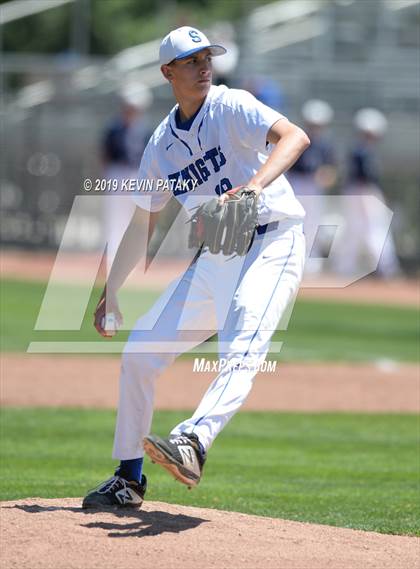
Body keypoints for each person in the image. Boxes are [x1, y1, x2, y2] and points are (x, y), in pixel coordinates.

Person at [82, 26, 310, 509]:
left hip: (274, 241)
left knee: (243, 347)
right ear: (168, 72)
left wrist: (254, 185)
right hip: (220, 255)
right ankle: (128, 478)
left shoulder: (232, 104)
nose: (204, 65)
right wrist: (112, 290)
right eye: (191, 60)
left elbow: (295, 137)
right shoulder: (162, 144)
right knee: (140, 354)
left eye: (207, 56)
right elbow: (143, 222)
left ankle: (194, 441)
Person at [334, 108, 400, 278]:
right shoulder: (362, 151)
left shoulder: (356, 149)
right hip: (363, 192)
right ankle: (386, 268)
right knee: (375, 229)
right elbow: (367, 178)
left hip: (355, 192)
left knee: (355, 230)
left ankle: (345, 267)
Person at [102, 84, 152, 265]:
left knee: (137, 218)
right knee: (115, 216)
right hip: (118, 173)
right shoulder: (114, 128)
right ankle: (113, 256)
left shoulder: (145, 130)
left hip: (137, 174)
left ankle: (135, 257)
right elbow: (106, 155)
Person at [286, 100, 337, 274]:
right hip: (296, 183)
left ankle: (311, 262)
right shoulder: (299, 138)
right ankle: (290, 256)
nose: (315, 128)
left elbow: (331, 170)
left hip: (314, 186)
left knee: (313, 223)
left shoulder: (325, 145)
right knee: (292, 219)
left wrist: (325, 176)